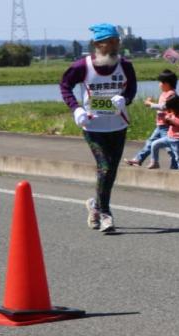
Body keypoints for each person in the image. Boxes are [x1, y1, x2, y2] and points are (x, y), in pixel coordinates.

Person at [59, 23, 137, 233]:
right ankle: (105, 213)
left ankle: (95, 205)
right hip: (93, 126)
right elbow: (65, 85)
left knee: (111, 170)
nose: (115, 45)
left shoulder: (125, 65)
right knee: (105, 167)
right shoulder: (82, 66)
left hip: (118, 125)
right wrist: (76, 109)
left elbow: (131, 88)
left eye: (117, 41)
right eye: (110, 42)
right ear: (97, 44)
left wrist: (125, 99)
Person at [124, 69, 178, 169]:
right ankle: (138, 159)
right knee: (150, 143)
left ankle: (176, 166)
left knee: (170, 147)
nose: (159, 84)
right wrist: (152, 104)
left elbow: (164, 107)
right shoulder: (164, 93)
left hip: (167, 126)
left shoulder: (171, 94)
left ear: (167, 83)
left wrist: (151, 104)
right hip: (160, 125)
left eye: (160, 82)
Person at [151, 94, 179, 170]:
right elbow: (169, 117)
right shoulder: (173, 112)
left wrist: (172, 119)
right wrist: (167, 119)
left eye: (171, 108)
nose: (170, 110)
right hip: (169, 137)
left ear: (176, 106)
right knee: (154, 144)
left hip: (178, 139)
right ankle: (155, 162)